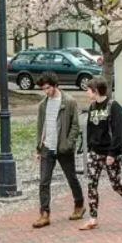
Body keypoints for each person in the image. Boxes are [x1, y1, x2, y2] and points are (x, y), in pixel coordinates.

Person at [80, 78, 122, 231]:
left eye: (89, 89)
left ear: (96, 90)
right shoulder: (92, 106)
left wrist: (112, 153)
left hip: (110, 153)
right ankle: (93, 219)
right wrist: (90, 147)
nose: (87, 92)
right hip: (95, 152)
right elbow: (90, 128)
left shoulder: (114, 107)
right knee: (91, 184)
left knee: (116, 185)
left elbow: (119, 132)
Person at [32, 73, 84, 229]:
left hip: (63, 148)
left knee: (71, 178)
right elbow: (41, 127)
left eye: (48, 88)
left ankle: (79, 205)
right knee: (44, 181)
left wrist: (68, 144)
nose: (46, 91)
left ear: (55, 85)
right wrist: (39, 148)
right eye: (43, 89)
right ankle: (44, 214)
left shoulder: (69, 101)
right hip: (47, 148)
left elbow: (75, 125)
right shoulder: (43, 105)